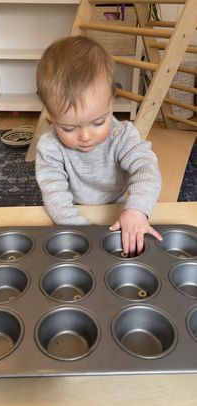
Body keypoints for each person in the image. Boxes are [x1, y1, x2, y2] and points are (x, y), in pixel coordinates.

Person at [35, 35, 162, 256]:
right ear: (50, 114)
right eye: (69, 128)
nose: (85, 136)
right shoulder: (50, 146)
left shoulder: (122, 136)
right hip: (74, 209)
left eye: (97, 122)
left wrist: (137, 209)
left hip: (117, 207)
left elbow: (146, 169)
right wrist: (83, 232)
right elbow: (54, 195)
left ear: (112, 101)